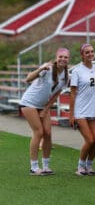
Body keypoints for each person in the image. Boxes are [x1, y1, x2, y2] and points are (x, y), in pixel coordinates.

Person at [20, 47, 70, 175]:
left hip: (43, 106)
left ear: (68, 59)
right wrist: (41, 69)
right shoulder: (47, 68)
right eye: (61, 57)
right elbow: (28, 79)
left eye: (66, 57)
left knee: (48, 134)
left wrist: (45, 109)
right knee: (39, 132)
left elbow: (55, 95)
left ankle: (46, 166)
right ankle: (34, 167)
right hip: (29, 102)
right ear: (56, 58)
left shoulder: (65, 75)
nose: (63, 59)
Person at [69, 43, 95, 176]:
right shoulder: (77, 70)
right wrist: (71, 115)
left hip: (94, 110)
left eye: (92, 52)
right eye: (87, 52)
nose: (90, 54)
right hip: (80, 110)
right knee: (90, 140)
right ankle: (80, 166)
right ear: (82, 55)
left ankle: (89, 165)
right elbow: (72, 93)